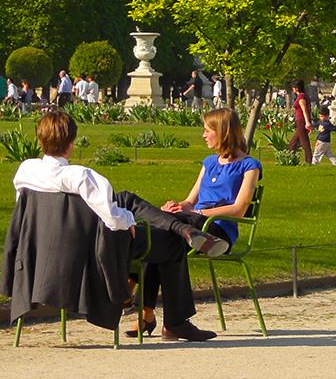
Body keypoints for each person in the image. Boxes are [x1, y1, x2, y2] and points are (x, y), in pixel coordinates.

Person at [14, 110, 226, 342]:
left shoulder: (26, 171)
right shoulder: (83, 177)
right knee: (172, 245)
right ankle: (176, 321)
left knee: (125, 198)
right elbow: (113, 220)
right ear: (71, 144)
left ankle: (183, 230)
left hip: (45, 248)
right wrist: (129, 221)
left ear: (40, 140)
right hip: (95, 250)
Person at [143, 108, 263, 338]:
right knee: (159, 239)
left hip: (218, 231)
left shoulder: (249, 166)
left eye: (207, 130)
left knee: (158, 234)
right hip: (192, 225)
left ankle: (146, 311)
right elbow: (190, 201)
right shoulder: (209, 162)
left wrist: (200, 212)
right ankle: (166, 320)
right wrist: (177, 207)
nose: (203, 135)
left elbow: (239, 209)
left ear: (223, 132)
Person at [287, 80, 312, 164]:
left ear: (297, 88)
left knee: (304, 142)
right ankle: (289, 158)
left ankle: (309, 161)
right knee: (293, 142)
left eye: (293, 87)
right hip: (300, 121)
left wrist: (307, 122)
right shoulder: (301, 96)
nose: (292, 89)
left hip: (301, 120)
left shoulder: (301, 97)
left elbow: (304, 109)